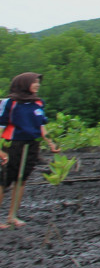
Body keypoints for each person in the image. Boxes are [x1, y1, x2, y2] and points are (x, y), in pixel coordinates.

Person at [0, 72, 59, 229]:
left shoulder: (38, 103)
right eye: (34, 82)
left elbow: (41, 126)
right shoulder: (10, 103)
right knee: (4, 180)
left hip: (32, 144)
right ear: (24, 84)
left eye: (38, 82)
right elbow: (1, 125)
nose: (37, 85)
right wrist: (1, 151)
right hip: (12, 144)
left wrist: (50, 143)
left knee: (22, 179)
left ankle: (12, 216)